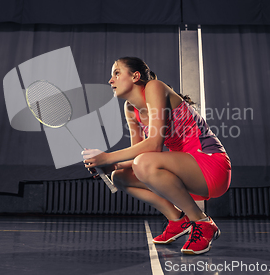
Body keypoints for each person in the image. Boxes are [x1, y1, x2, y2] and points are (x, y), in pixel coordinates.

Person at [82, 57, 231, 255]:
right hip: (186, 172)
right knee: (120, 178)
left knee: (143, 163)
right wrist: (112, 167)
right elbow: (141, 152)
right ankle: (177, 221)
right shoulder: (130, 108)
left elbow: (154, 144)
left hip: (212, 165)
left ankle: (202, 223)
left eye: (116, 73)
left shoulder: (154, 87)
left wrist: (108, 157)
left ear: (135, 76)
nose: (111, 80)